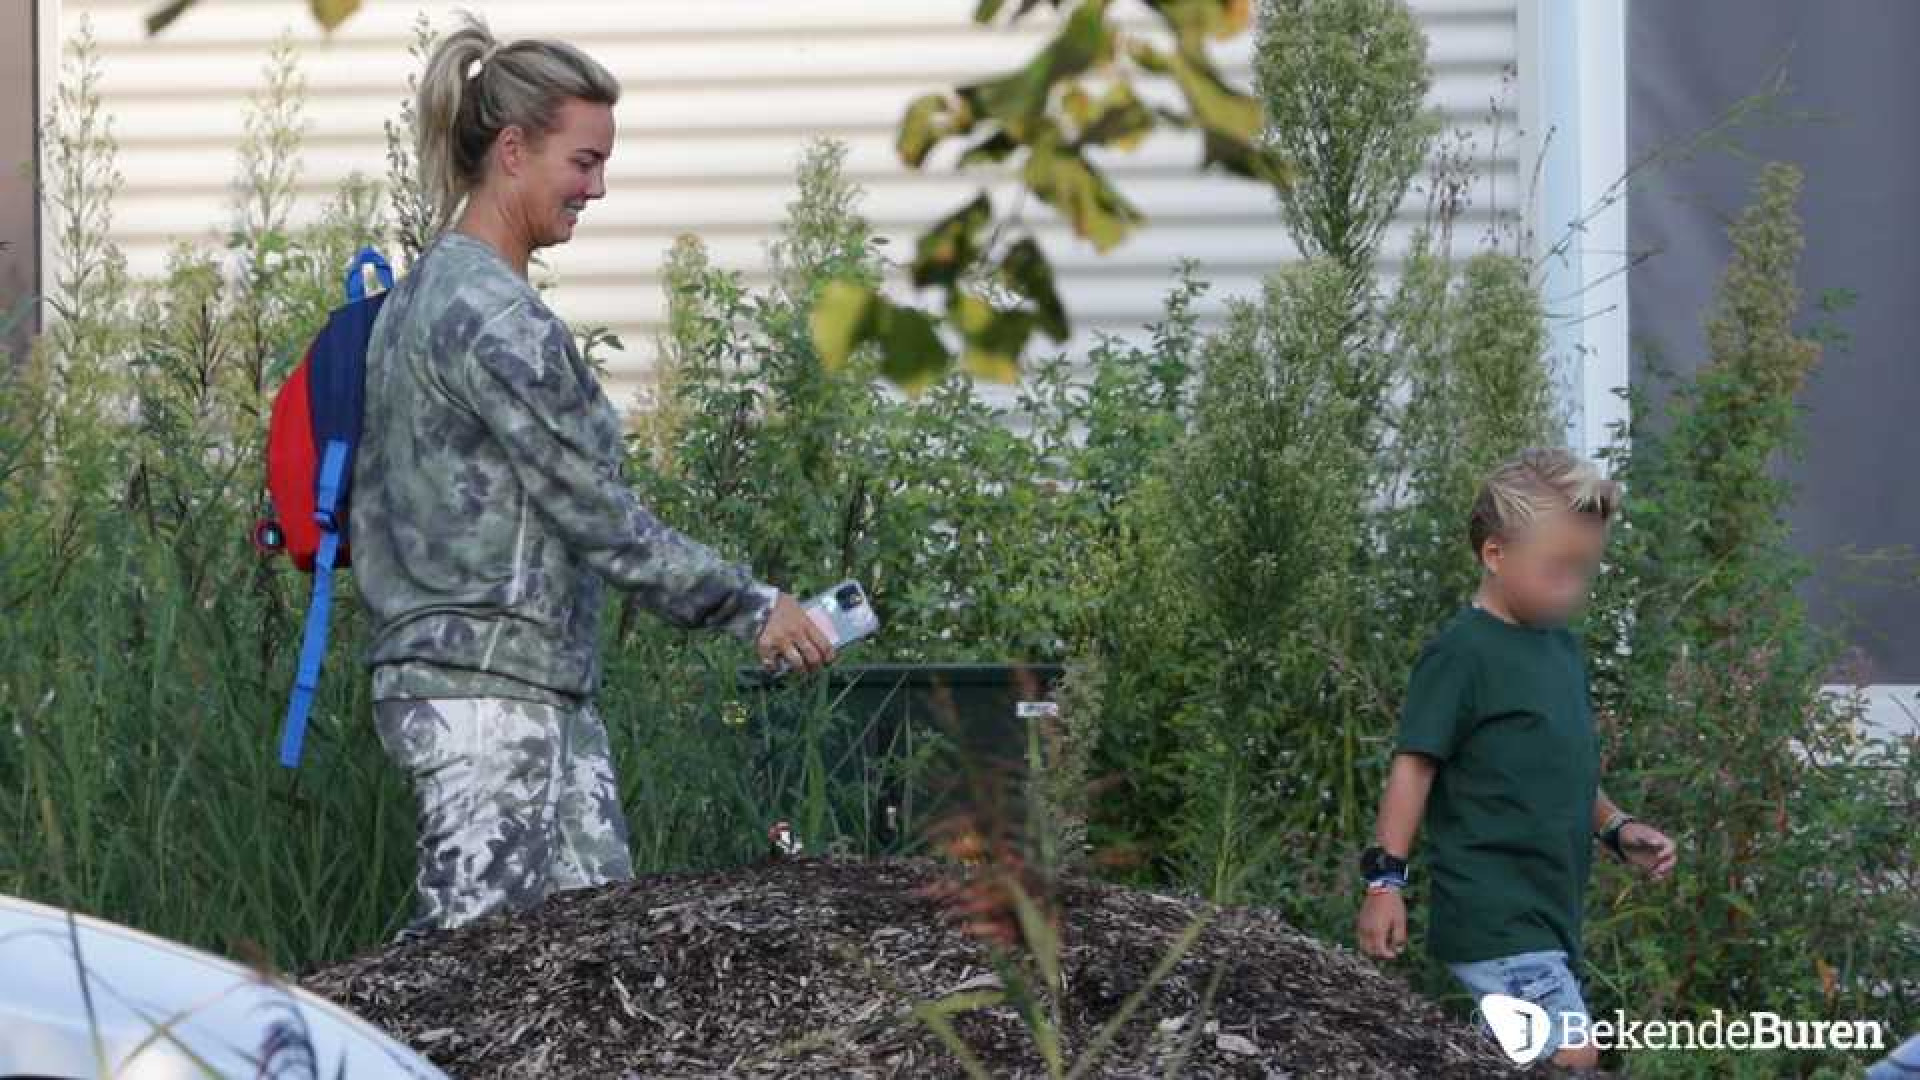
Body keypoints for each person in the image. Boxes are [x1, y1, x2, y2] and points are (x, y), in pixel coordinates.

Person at [350, 13, 835, 935]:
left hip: (520, 688)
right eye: (584, 162)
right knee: (474, 978)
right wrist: (752, 605)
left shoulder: (420, 298)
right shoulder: (495, 320)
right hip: (483, 696)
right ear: (513, 149)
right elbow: (600, 515)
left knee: (596, 964)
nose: (598, 188)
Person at [1354, 448, 1678, 1070]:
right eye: (1557, 570)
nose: (1574, 588)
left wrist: (1616, 828)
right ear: (1495, 555)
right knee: (1571, 1053)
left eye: (1585, 570)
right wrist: (1384, 883)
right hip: (1492, 910)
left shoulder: (1558, 649)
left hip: (1550, 910)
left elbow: (1561, 771)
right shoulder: (1462, 654)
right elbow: (1413, 769)